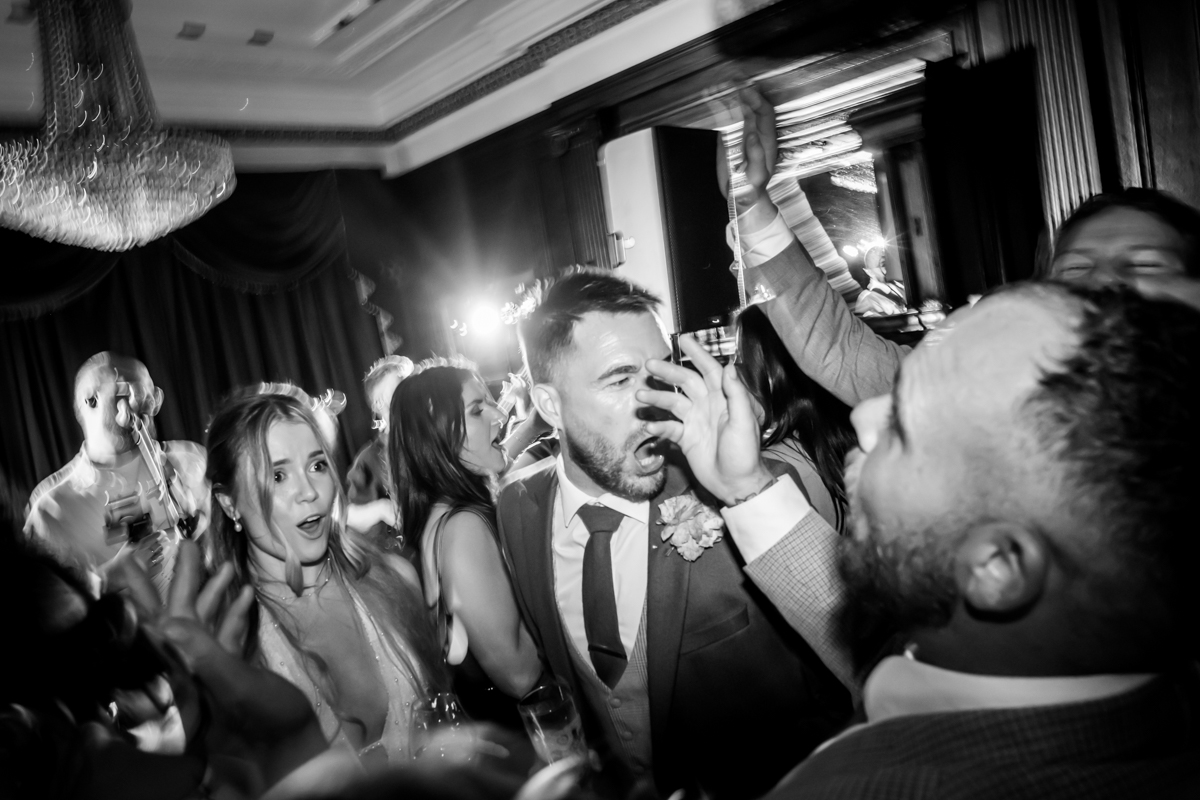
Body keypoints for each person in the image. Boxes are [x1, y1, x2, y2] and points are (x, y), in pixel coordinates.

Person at [637, 284, 1200, 799]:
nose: (864, 414)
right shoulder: (1090, 684)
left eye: (907, 426)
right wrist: (747, 489)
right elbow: (872, 645)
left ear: (998, 567)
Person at [497, 268, 852, 800]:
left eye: (661, 371)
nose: (655, 399)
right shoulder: (517, 507)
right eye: (619, 379)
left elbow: (867, 656)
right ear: (550, 406)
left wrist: (747, 490)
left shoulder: (757, 492)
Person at [731, 87, 1200, 408]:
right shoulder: (990, 386)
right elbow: (840, 351)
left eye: (1144, 263)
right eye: (1076, 269)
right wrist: (752, 199)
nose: (1105, 282)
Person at [204, 389, 444, 769]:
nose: (309, 491)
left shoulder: (393, 580)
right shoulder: (233, 652)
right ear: (229, 503)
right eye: (278, 475)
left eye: (317, 466)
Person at [388, 358, 543, 727]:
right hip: (522, 730)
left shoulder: (439, 518)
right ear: (439, 434)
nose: (499, 416)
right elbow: (520, 676)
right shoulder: (463, 528)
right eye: (477, 410)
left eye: (489, 402)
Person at [24, 351, 208, 597]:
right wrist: (110, 577)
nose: (144, 405)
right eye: (127, 392)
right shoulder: (53, 509)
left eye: (149, 393)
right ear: (91, 400)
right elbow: (40, 607)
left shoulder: (188, 460)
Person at [734, 304, 855, 532]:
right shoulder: (845, 432)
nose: (733, 373)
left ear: (772, 374)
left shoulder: (771, 469)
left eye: (741, 360)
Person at [345, 356, 413, 558]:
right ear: (379, 403)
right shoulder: (370, 458)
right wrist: (381, 509)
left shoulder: (434, 438)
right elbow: (345, 515)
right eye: (401, 388)